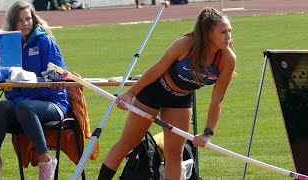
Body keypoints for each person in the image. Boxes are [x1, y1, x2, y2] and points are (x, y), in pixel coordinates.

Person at [98, 7, 236, 179]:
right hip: (155, 90)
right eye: (223, 32)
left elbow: (217, 99)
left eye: (229, 31)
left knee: (175, 153)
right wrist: (130, 94)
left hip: (181, 98)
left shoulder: (227, 59)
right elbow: (157, 69)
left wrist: (208, 133)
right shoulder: (185, 44)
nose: (228, 37)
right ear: (208, 33)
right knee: (127, 143)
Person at [0, 1, 69, 180]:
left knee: (25, 107)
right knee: (1, 107)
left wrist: (28, 90)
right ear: (13, 23)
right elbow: (8, 85)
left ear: (33, 19)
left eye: (28, 19)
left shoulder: (45, 42)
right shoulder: (9, 46)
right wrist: (18, 99)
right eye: (19, 20)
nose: (25, 23)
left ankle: (46, 160)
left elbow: (57, 79)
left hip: (53, 103)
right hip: (23, 105)